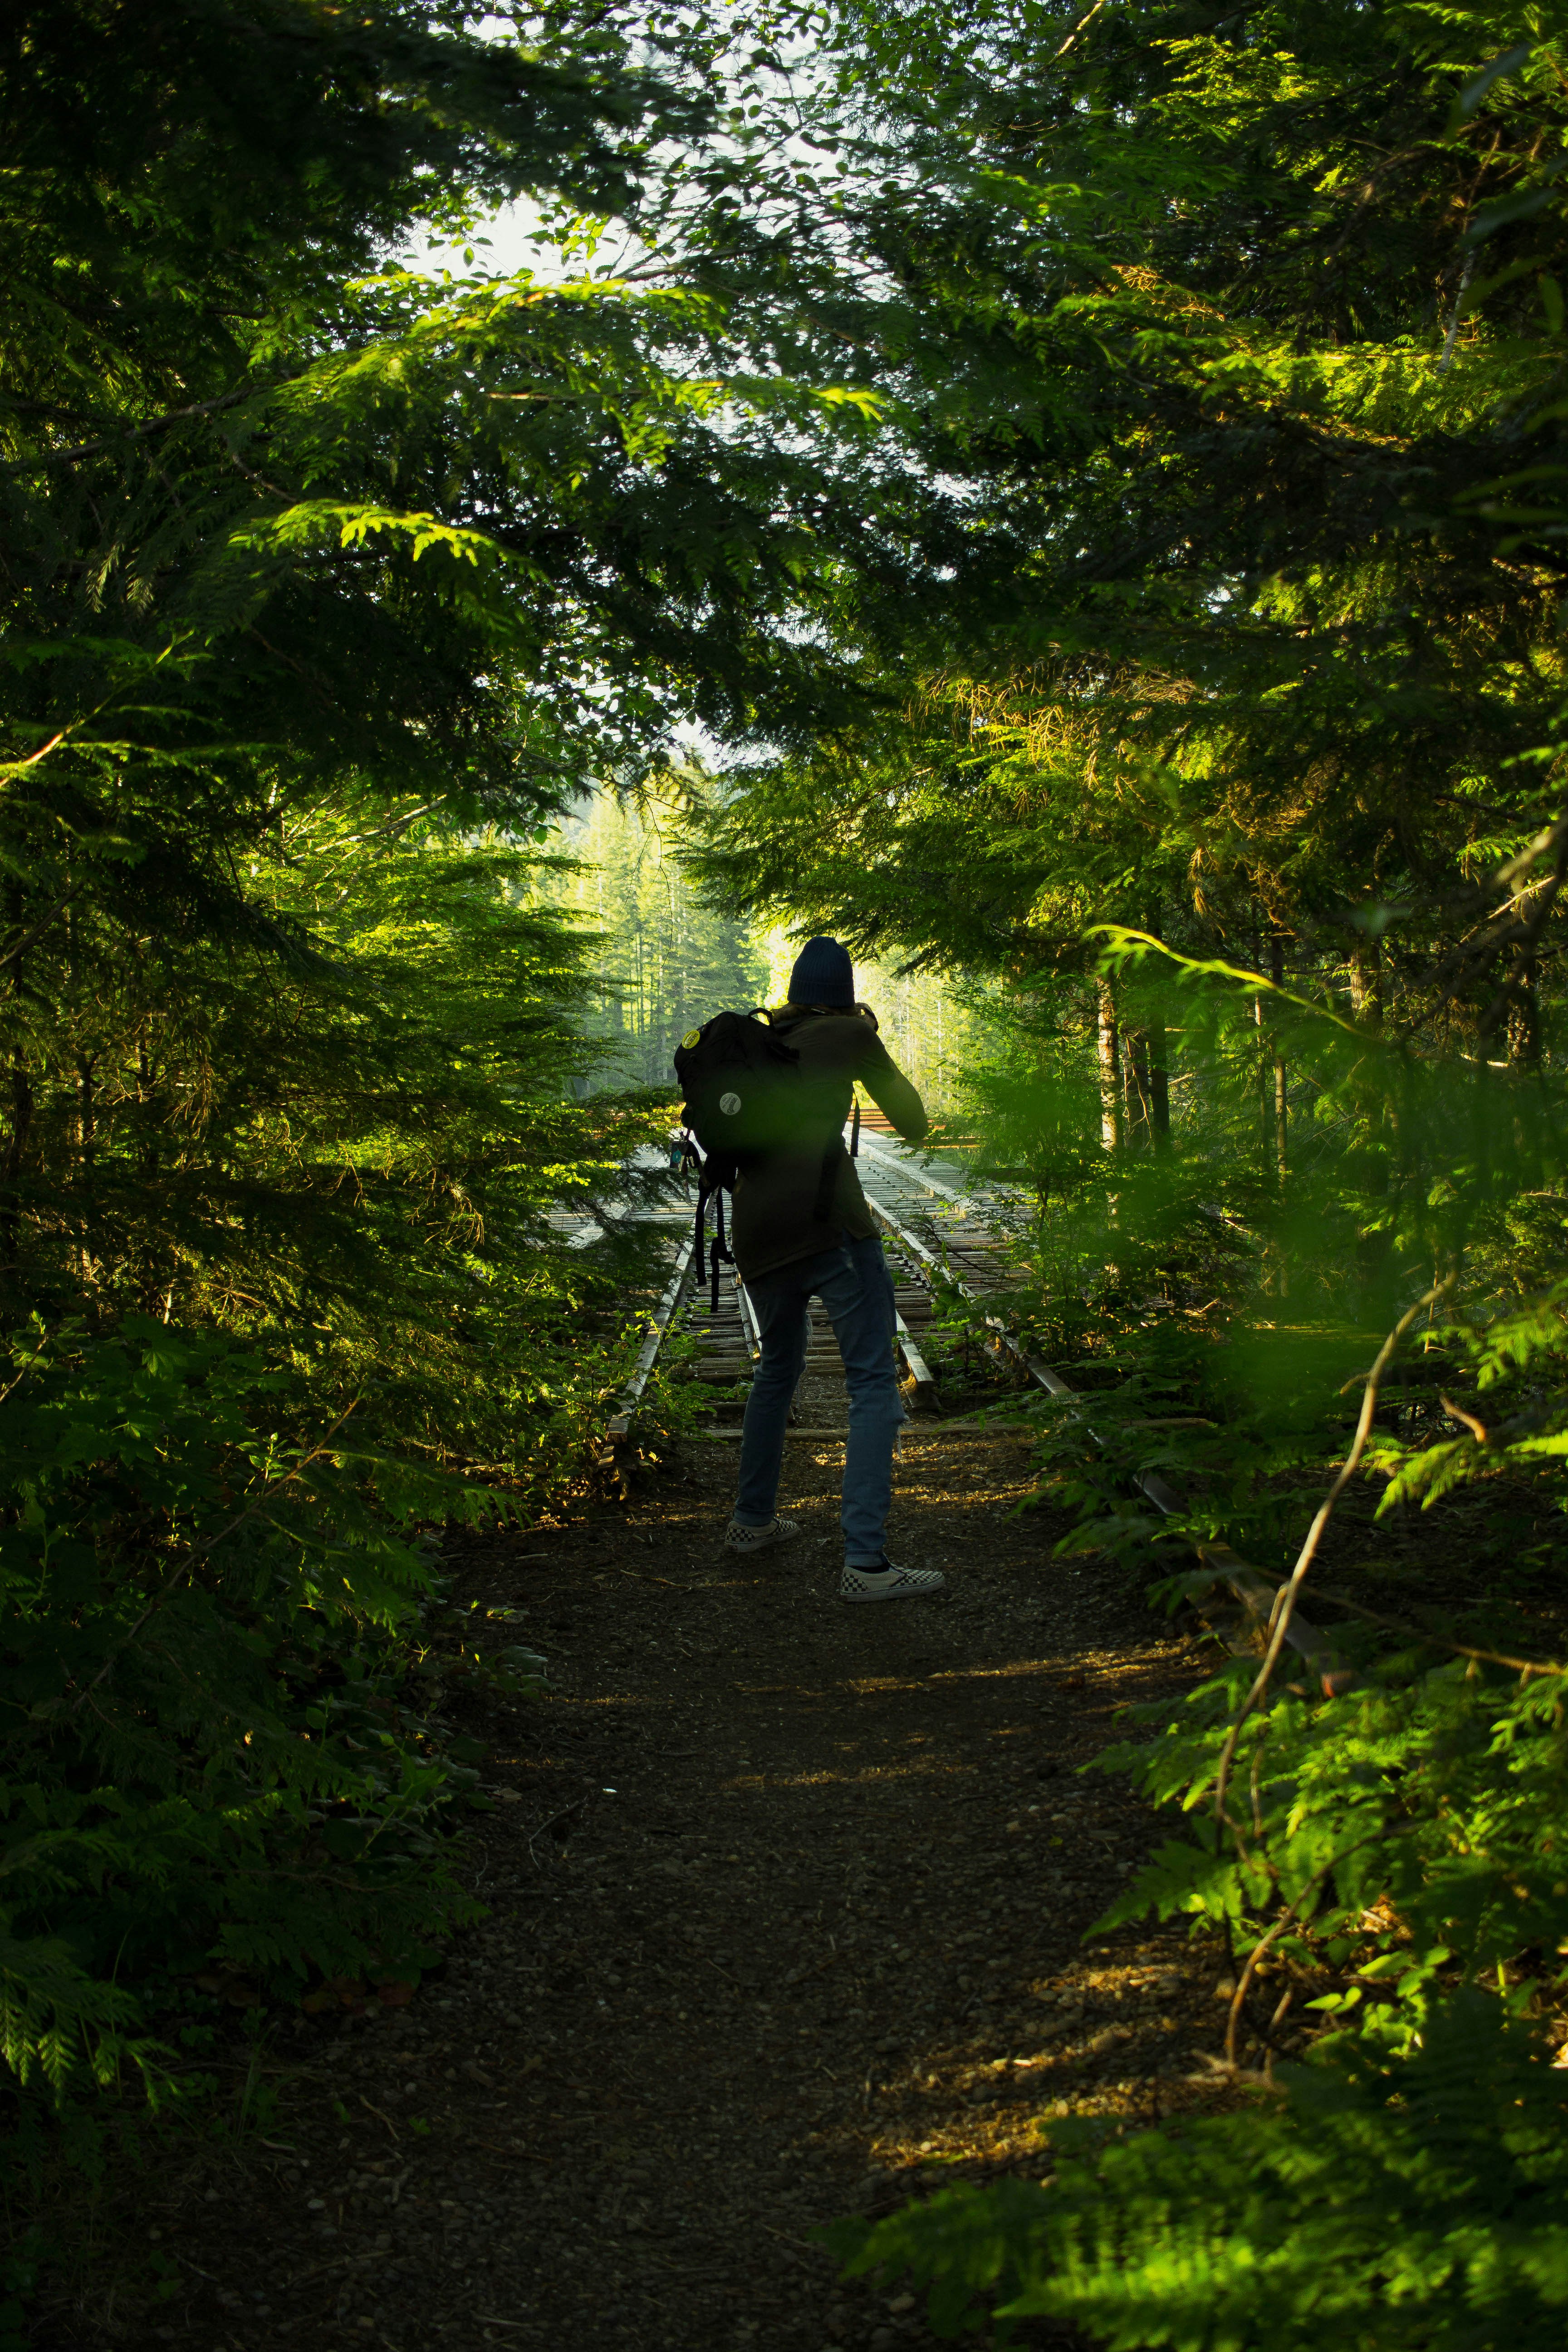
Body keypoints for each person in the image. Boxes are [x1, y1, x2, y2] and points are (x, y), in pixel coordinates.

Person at [721, 936, 945, 1602]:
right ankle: (866, 1564)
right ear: (845, 995)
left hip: (757, 1231)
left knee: (777, 1369)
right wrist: (866, 1040)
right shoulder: (849, 1034)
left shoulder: (765, 1038)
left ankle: (751, 1522)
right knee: (874, 1381)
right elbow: (914, 1122)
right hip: (829, 1227)